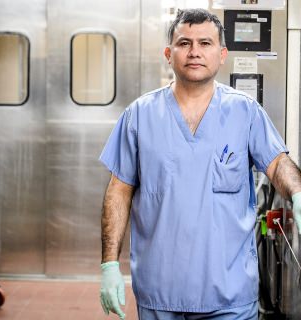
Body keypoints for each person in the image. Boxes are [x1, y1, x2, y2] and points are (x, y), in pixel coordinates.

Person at [99, 8, 301, 320]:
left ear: (222, 55)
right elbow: (119, 190)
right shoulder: (139, 116)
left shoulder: (245, 113)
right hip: (159, 291)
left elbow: (277, 164)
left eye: (205, 43)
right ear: (169, 54)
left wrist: (298, 193)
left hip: (229, 293)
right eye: (184, 43)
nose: (195, 52)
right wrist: (109, 263)